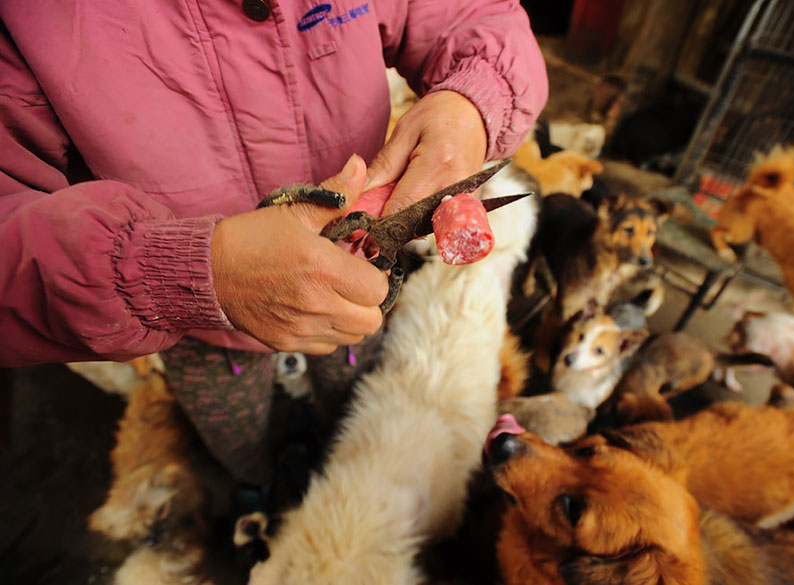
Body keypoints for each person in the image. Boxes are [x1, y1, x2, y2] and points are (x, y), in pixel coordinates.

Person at [0, 1, 548, 486]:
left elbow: (471, 14)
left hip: (358, 279)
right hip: (190, 324)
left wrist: (470, 103)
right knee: (234, 433)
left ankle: (332, 468)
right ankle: (258, 483)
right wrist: (174, 272)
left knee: (350, 399)